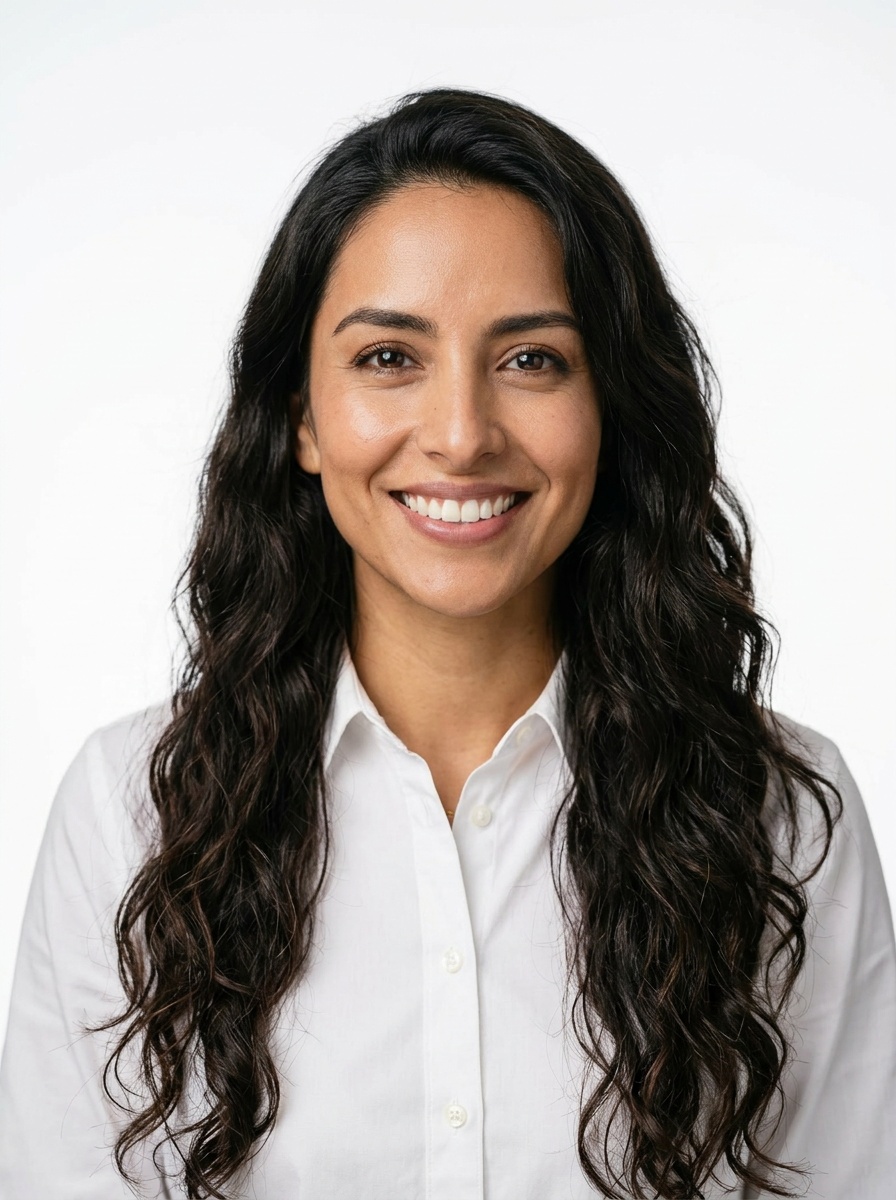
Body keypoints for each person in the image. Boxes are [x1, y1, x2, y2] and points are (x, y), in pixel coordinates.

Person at [0, 87, 893, 1200]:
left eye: (532, 360)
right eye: (388, 358)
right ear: (301, 417)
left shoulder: (781, 816)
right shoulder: (128, 811)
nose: (463, 435)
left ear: (610, 408)